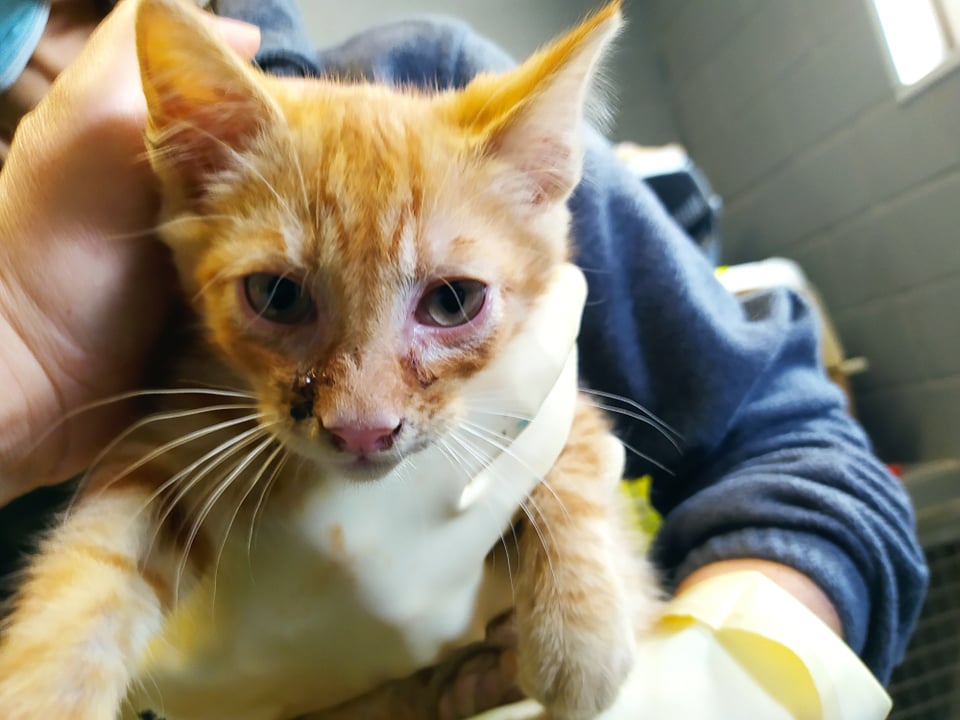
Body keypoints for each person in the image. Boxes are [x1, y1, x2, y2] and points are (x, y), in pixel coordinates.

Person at [0, 0, 928, 716]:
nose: (362, 416)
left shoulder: (438, 86)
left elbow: (794, 445)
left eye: (449, 301)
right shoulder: (168, 249)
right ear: (194, 170)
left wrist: (693, 685)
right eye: (280, 297)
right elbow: (137, 509)